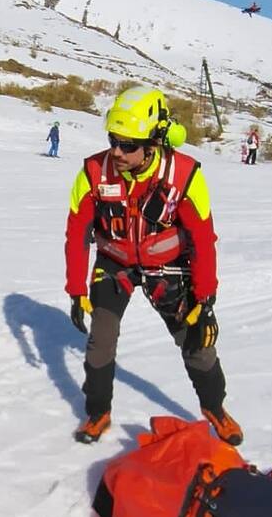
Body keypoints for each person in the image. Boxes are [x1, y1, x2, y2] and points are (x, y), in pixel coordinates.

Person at [65, 84, 241, 446]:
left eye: (128, 145)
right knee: (101, 340)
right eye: (113, 140)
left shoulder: (184, 175)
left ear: (154, 143)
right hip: (115, 264)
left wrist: (205, 298)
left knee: (197, 341)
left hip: (169, 267)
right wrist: (76, 289)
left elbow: (203, 239)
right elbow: (77, 233)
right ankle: (98, 413)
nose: (117, 152)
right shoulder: (94, 172)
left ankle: (215, 408)